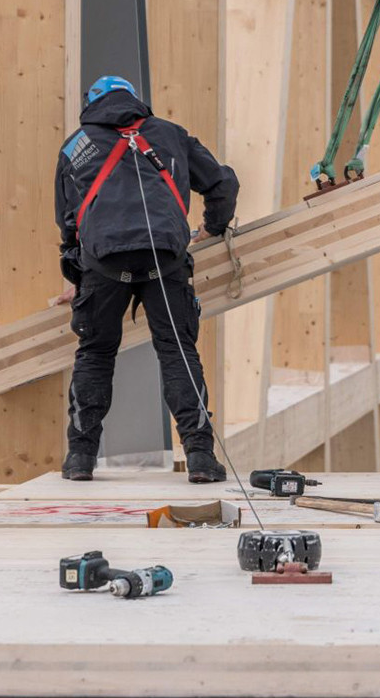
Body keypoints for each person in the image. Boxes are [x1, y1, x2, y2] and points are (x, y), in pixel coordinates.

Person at [53, 76, 240, 482]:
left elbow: (69, 225)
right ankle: (201, 459)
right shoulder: (170, 135)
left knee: (96, 353)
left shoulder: (75, 146)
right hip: (165, 262)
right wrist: (213, 227)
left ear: (91, 104)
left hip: (103, 266)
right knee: (176, 351)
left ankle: (80, 459)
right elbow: (223, 183)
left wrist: (76, 274)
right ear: (136, 99)